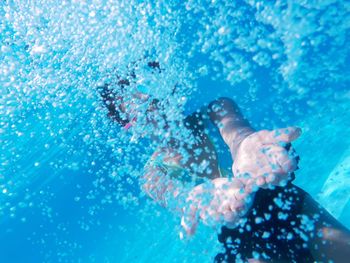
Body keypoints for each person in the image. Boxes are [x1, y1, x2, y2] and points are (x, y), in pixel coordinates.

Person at [98, 62, 350, 262]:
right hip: (244, 238)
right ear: (129, 126)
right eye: (142, 111)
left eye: (153, 96)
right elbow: (180, 198)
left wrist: (245, 144)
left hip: (284, 202)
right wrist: (203, 197)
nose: (155, 110)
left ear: (169, 87)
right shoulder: (153, 176)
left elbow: (238, 134)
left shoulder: (217, 111)